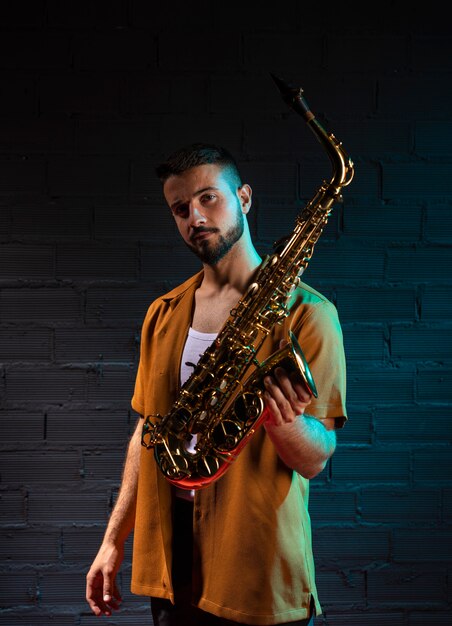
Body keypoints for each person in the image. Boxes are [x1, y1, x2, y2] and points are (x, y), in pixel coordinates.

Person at [86, 143, 347, 625]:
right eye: (180, 208)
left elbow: (315, 459)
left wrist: (279, 421)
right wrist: (112, 541)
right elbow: (148, 433)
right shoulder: (163, 313)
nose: (195, 217)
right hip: (170, 560)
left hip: (255, 567)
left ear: (244, 198)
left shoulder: (311, 315)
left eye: (209, 198)